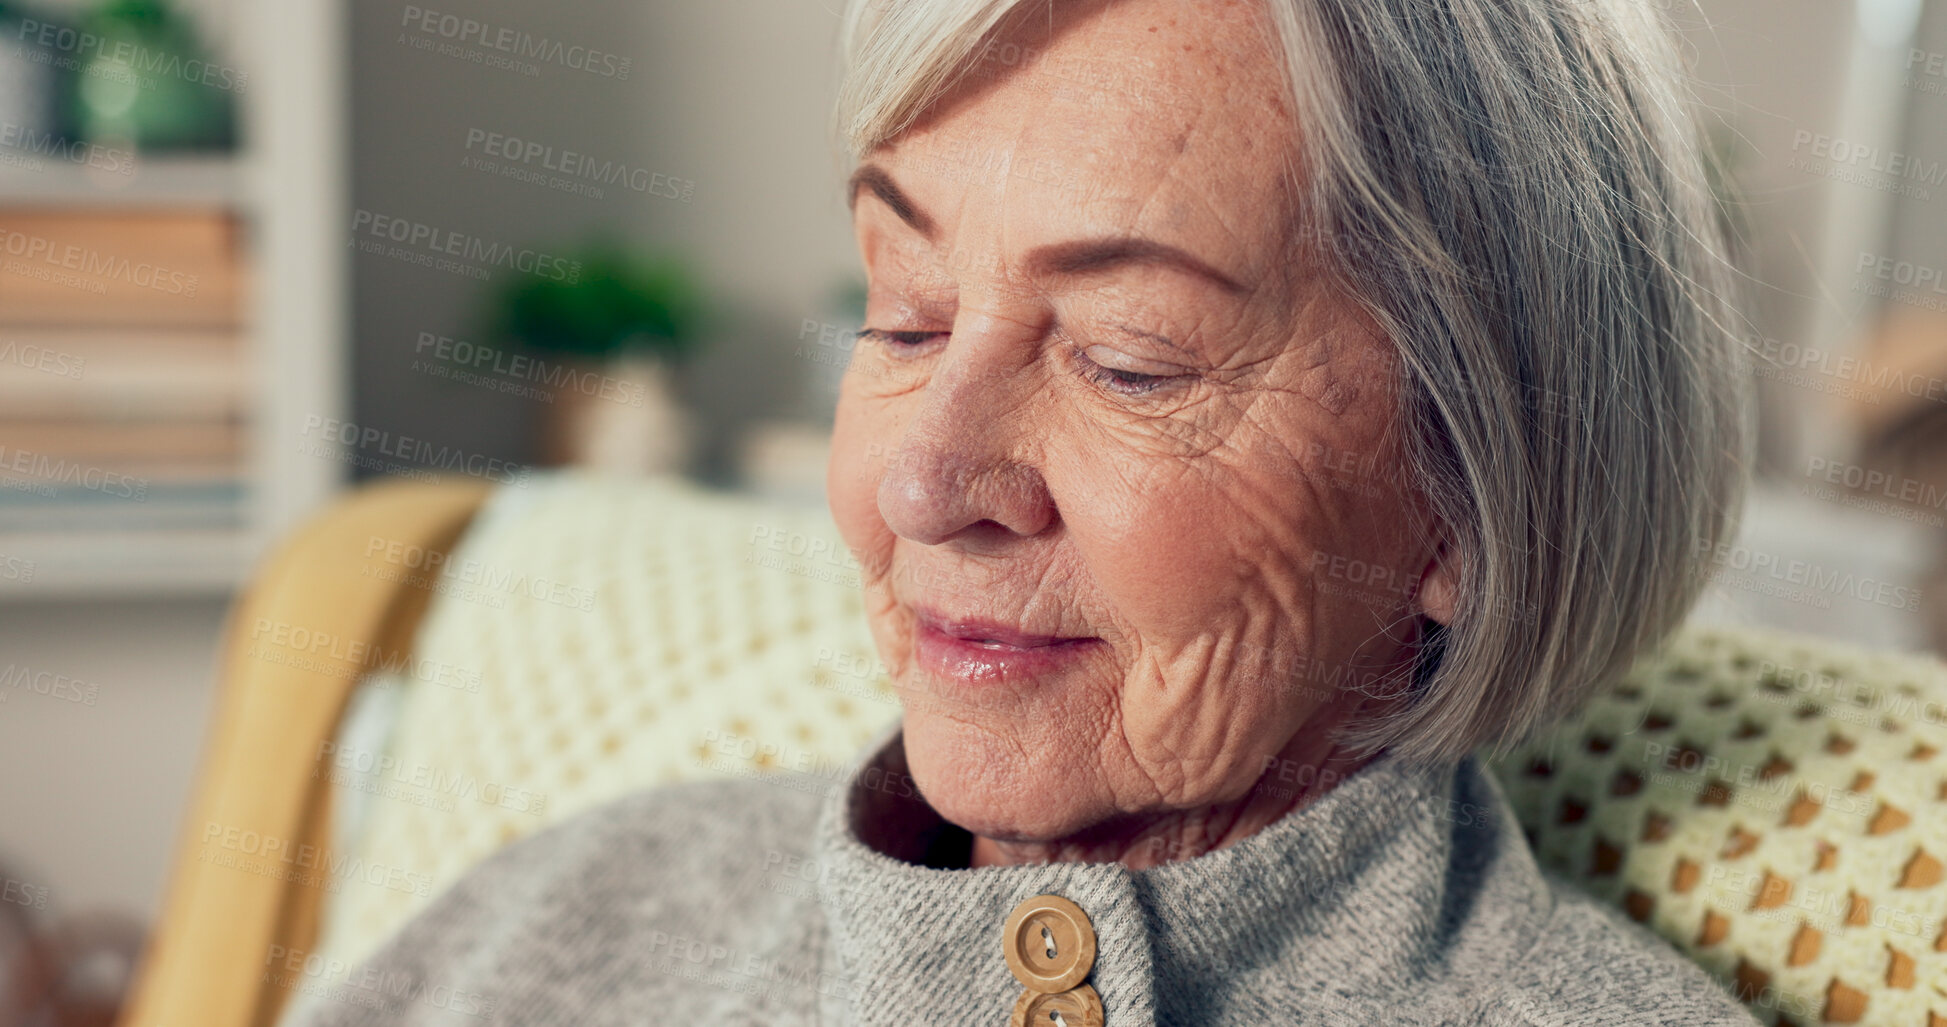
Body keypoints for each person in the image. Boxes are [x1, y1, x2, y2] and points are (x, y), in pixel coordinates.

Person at [298, 0, 1759, 1023]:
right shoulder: (561, 916)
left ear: (1469, 494)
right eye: (907, 317)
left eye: (1132, 357)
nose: (922, 482)